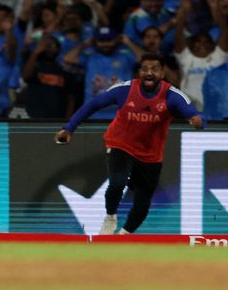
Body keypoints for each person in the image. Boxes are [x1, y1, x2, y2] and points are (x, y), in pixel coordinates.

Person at [56, 54, 204, 235]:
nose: (149, 73)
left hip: (151, 154)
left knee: (143, 202)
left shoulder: (172, 96)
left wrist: (198, 121)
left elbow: (195, 115)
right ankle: (110, 217)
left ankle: (124, 235)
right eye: (145, 69)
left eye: (155, 69)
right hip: (120, 144)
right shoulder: (124, 90)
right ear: (139, 72)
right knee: (117, 183)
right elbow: (93, 105)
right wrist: (69, 128)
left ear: (163, 72)